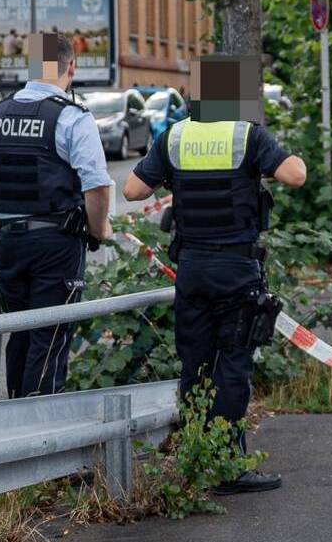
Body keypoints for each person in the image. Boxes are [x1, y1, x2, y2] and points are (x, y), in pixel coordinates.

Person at [124, 54, 308, 494]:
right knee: (233, 364)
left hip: (192, 269)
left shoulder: (174, 137)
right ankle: (228, 466)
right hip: (236, 270)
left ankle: (195, 457)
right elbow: (296, 176)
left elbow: (132, 190)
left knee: (196, 363)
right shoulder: (247, 136)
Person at [0, 32, 113, 397]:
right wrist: (98, 230)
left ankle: (17, 416)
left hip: (11, 244)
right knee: (50, 338)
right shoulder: (72, 118)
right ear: (70, 67)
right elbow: (97, 187)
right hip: (56, 244)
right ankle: (41, 424)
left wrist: (0, 225)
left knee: (21, 334)